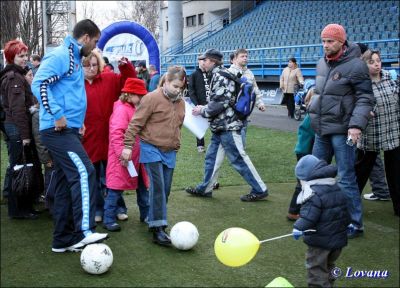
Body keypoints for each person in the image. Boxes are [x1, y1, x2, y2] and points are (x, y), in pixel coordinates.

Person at [31, 19, 108, 253]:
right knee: (85, 172)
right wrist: (56, 114)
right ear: (85, 37)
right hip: (57, 130)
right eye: (95, 41)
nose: (95, 46)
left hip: (69, 129)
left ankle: (63, 240)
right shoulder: (62, 55)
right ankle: (83, 232)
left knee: (66, 183)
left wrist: (77, 122)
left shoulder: (74, 58)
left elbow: (66, 91)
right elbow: (39, 83)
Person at [308, 23, 375, 238]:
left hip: (343, 130)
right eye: (323, 41)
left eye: (330, 41)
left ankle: (355, 224)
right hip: (321, 128)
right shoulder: (321, 63)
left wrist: (356, 126)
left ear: (341, 42)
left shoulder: (356, 66)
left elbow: (365, 98)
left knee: (345, 177)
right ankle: (321, 216)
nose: (325, 45)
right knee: (316, 175)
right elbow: (325, 91)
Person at [185, 49, 268, 202]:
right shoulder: (219, 74)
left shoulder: (219, 76)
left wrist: (202, 110)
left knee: (239, 159)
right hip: (221, 126)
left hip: (228, 126)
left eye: (205, 60)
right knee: (212, 159)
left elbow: (219, 103)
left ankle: (260, 189)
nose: (202, 62)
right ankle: (206, 187)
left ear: (212, 61)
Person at [120, 66, 186, 246]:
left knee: (165, 189)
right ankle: (158, 229)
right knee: (157, 186)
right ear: (165, 82)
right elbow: (135, 123)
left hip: (170, 151)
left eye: (180, 87)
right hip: (151, 148)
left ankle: (154, 218)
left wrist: (176, 143)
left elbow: (177, 126)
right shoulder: (151, 98)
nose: (177, 90)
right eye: (174, 86)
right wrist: (127, 146)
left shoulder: (181, 103)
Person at [82, 50, 136, 223]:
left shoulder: (109, 78)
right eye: (87, 65)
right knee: (94, 176)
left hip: (111, 137)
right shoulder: (76, 84)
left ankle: (119, 207)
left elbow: (129, 82)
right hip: (88, 138)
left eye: (94, 64)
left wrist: (125, 66)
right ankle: (98, 208)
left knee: (115, 174)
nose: (91, 68)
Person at [293, 155, 351, 288]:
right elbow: (345, 209)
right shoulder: (335, 186)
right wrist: (349, 224)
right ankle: (330, 284)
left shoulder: (312, 193)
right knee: (329, 264)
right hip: (338, 240)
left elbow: (308, 216)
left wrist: (298, 227)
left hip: (320, 241)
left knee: (316, 268)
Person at [355, 49, 399, 216]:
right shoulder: (361, 84)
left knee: (396, 173)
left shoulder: (391, 78)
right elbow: (354, 106)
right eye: (372, 62)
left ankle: (398, 207)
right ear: (364, 64)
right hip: (370, 136)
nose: (376, 64)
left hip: (393, 133)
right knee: (360, 173)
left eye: (378, 60)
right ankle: (350, 204)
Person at [0, 40, 40, 219]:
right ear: (11, 57)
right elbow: (17, 110)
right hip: (17, 128)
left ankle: (23, 206)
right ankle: (19, 210)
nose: (25, 59)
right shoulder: (14, 77)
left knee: (21, 167)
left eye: (26, 55)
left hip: (16, 127)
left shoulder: (16, 74)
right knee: (19, 169)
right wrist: (25, 135)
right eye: (21, 56)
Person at [104, 78, 150, 231]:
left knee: (143, 188)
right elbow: (116, 134)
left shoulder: (136, 107)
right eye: (140, 95)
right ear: (130, 94)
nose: (143, 97)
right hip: (124, 158)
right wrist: (121, 155)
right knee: (115, 189)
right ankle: (108, 218)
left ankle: (147, 214)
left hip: (138, 157)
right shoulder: (122, 109)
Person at [287, 88, 315, 221]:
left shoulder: (310, 116)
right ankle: (293, 211)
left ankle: (299, 209)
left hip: (303, 151)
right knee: (303, 182)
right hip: (305, 152)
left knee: (304, 182)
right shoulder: (312, 117)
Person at [228, 48, 266, 146]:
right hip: (232, 111)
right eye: (242, 56)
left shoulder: (249, 73)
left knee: (243, 132)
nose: (245, 58)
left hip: (245, 111)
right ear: (235, 58)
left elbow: (255, 89)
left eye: (246, 56)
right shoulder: (229, 72)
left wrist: (260, 103)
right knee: (237, 135)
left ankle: (239, 152)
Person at [188, 56, 210, 153]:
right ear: (198, 61)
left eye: (206, 60)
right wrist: (196, 104)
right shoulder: (194, 74)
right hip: (199, 105)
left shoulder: (211, 73)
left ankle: (218, 145)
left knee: (215, 125)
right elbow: (191, 91)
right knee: (199, 126)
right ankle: (200, 146)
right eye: (202, 60)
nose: (204, 62)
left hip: (211, 105)